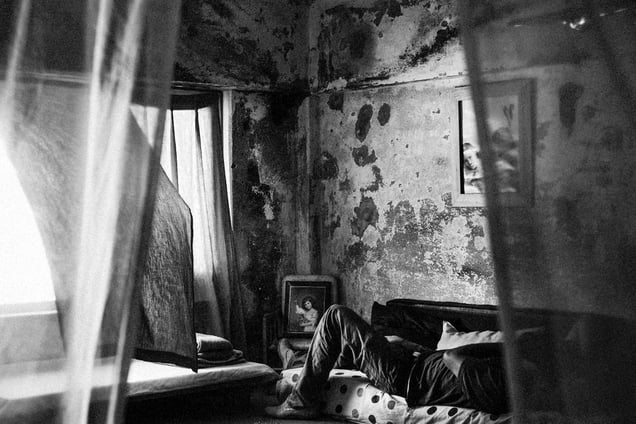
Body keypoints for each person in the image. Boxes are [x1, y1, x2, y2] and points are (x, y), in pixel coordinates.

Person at [265, 304, 508, 419]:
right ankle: (293, 361)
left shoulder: (501, 383)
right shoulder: (506, 373)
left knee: (335, 316)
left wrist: (507, 348)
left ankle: (300, 402)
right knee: (348, 345)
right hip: (413, 363)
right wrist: (413, 348)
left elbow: (451, 356)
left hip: (403, 378)